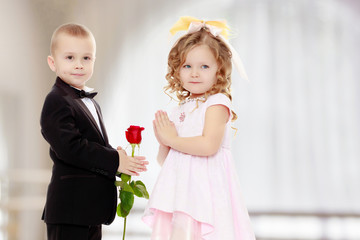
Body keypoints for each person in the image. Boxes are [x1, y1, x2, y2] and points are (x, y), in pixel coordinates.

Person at [142, 17, 256, 240]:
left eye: (204, 66)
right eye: (187, 66)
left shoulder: (217, 103)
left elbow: (208, 145)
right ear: (177, 70)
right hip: (180, 192)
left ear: (219, 70)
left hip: (206, 191)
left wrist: (173, 139)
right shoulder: (181, 108)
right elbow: (167, 161)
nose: (195, 73)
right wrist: (163, 141)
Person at [40, 23, 148, 240]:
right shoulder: (56, 100)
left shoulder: (89, 102)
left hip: (90, 209)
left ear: (94, 61)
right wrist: (113, 159)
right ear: (53, 62)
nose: (79, 65)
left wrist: (120, 161)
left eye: (86, 58)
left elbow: (92, 145)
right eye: (69, 57)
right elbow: (71, 148)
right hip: (70, 209)